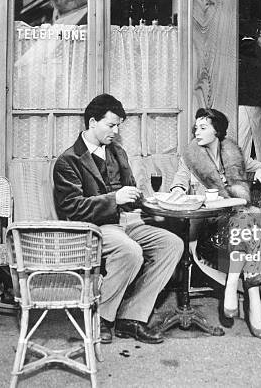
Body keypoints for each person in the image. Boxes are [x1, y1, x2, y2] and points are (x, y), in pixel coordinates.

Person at [53, 94, 183, 344]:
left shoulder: (118, 152)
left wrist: (147, 201)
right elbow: (72, 208)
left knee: (172, 244)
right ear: (92, 122)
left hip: (126, 221)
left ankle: (131, 318)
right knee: (130, 251)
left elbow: (129, 192)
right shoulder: (68, 160)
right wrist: (114, 198)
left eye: (118, 126)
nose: (115, 131)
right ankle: (101, 318)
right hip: (93, 227)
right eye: (111, 125)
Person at [170, 108, 261, 338]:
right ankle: (252, 299)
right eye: (196, 127)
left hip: (236, 224)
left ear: (217, 132)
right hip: (208, 228)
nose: (197, 131)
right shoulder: (190, 157)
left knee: (247, 218)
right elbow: (178, 181)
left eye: (203, 127)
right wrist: (178, 190)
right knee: (251, 219)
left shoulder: (233, 154)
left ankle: (235, 288)